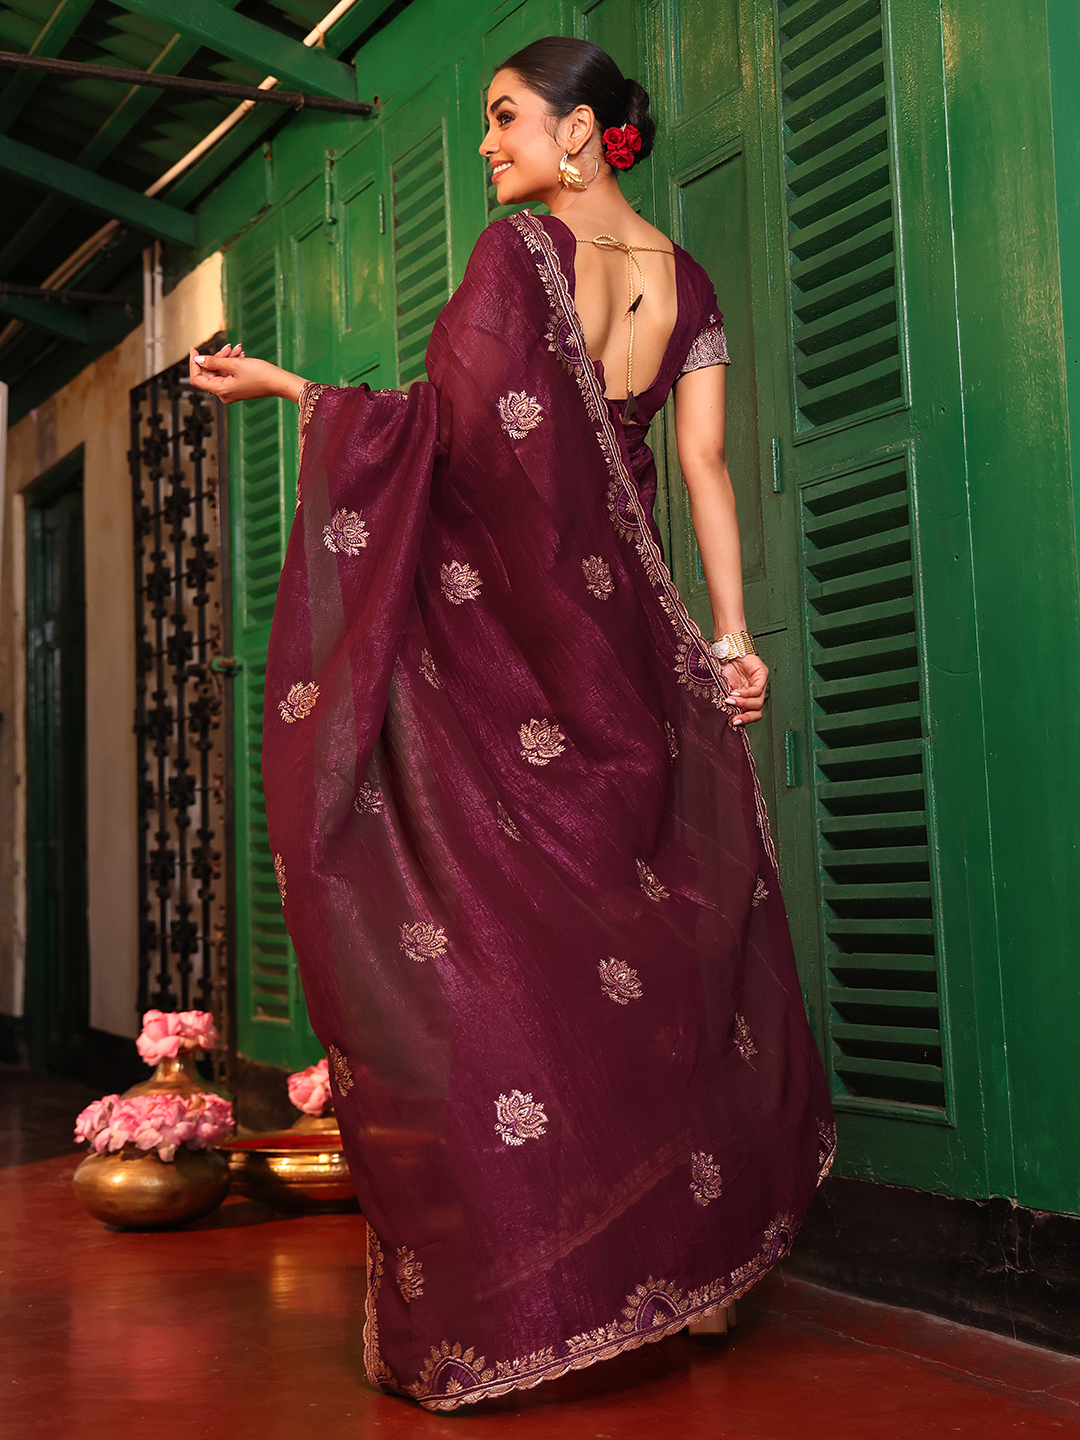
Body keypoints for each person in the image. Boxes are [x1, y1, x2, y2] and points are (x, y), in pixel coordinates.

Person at [189, 35, 833, 1412]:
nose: (486, 146)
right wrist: (734, 642)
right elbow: (703, 466)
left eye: (505, 119)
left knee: (522, 949)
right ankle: (697, 1276)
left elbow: (449, 438)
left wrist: (297, 393)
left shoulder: (518, 259)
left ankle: (570, 1272)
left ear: (580, 131)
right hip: (637, 653)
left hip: (530, 654)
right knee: (651, 951)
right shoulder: (692, 288)